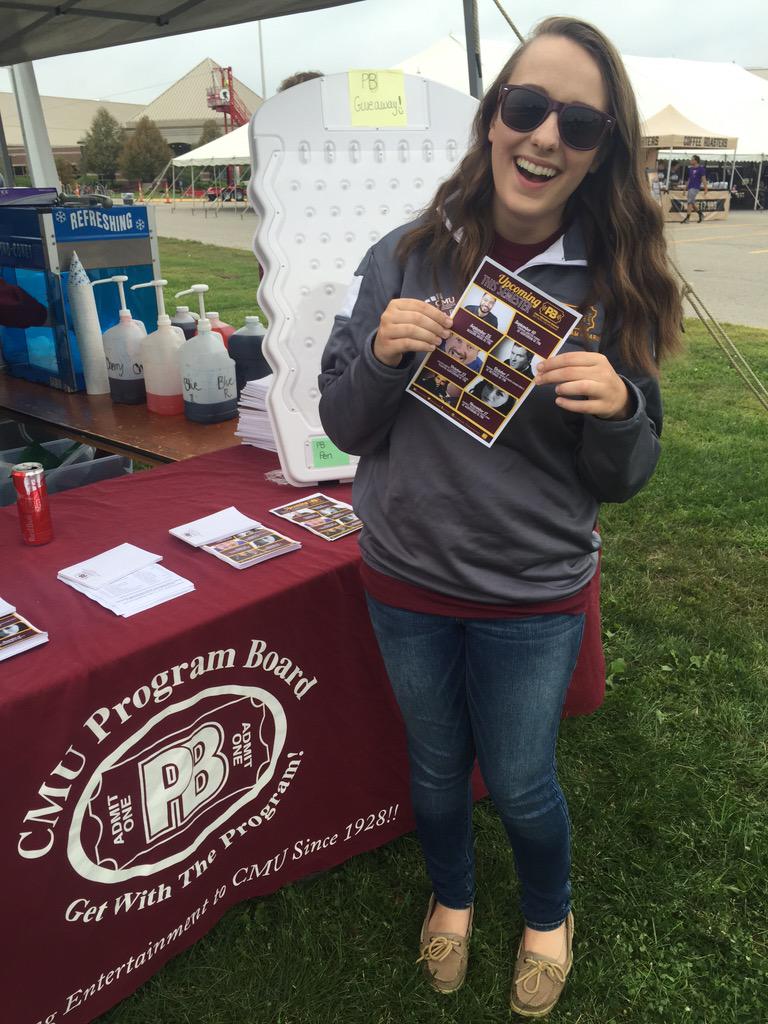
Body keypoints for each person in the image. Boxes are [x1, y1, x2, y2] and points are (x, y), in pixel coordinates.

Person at [319, 15, 680, 1018]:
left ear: (601, 152)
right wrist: (381, 357)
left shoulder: (613, 286)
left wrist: (619, 411)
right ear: (493, 119)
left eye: (580, 123)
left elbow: (627, 476)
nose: (546, 136)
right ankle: (452, 894)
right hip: (405, 579)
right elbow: (344, 425)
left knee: (521, 781)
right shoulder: (404, 257)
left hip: (532, 594)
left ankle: (548, 914)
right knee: (437, 768)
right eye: (528, 106)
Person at [681, 155, 708, 223]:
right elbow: (689, 179)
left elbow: (704, 179)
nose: (691, 161)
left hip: (695, 187)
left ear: (696, 161)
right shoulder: (690, 169)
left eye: (692, 160)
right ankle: (700, 214)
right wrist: (685, 188)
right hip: (690, 187)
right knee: (692, 202)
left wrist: (706, 188)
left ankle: (687, 218)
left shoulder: (701, 169)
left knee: (689, 202)